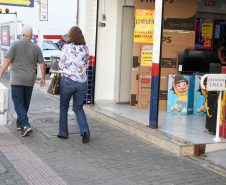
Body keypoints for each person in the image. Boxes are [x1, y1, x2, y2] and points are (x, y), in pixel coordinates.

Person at [0, 26, 46, 137]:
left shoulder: (15, 44)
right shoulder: (36, 48)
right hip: (29, 79)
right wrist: (43, 78)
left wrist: (0, 72)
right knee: (25, 102)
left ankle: (25, 125)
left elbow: (7, 60)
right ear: (32, 35)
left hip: (17, 79)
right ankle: (19, 123)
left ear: (22, 34)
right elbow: (42, 64)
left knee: (18, 102)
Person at [58, 26, 90, 143]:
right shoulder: (85, 49)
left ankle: (63, 133)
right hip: (82, 82)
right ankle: (85, 130)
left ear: (70, 35)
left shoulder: (66, 47)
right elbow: (86, 66)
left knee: (63, 107)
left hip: (68, 81)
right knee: (78, 107)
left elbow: (61, 65)